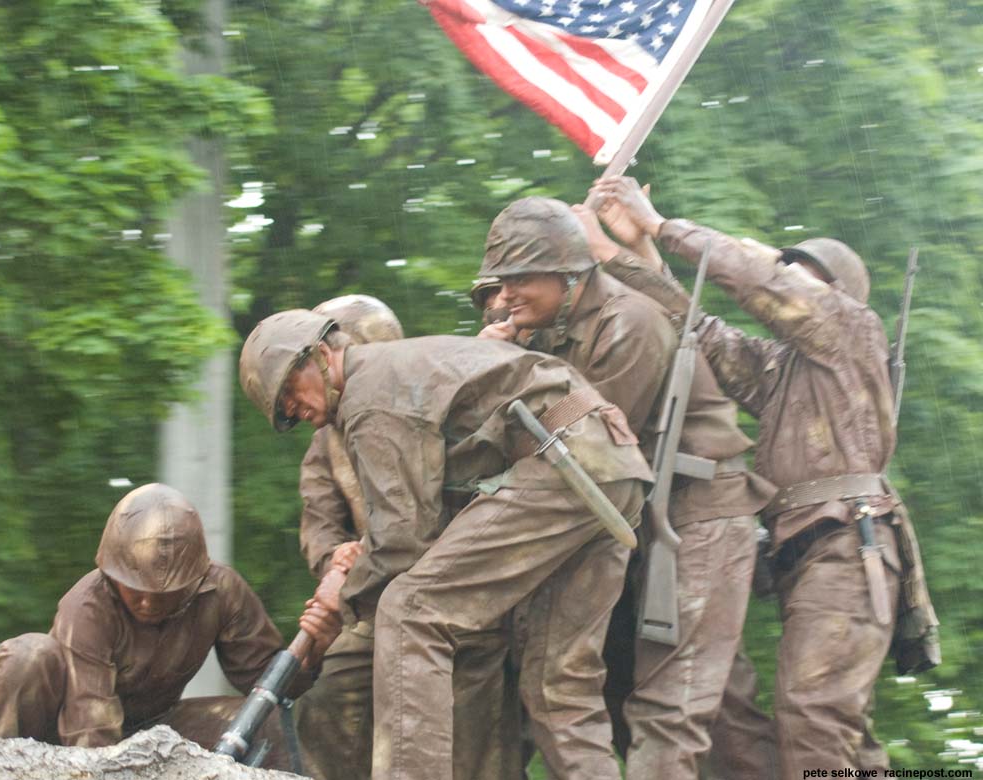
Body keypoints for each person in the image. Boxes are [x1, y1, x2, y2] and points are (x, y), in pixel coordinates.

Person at [588, 175, 939, 779]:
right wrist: (627, 256)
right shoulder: (784, 370)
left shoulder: (856, 331)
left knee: (813, 713)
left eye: (801, 271)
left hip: (849, 547)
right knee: (746, 718)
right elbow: (693, 327)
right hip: (799, 552)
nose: (785, 273)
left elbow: (764, 283)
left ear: (836, 296)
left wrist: (661, 225)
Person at [239, 310, 648, 780]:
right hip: (610, 463)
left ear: (322, 354)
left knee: (409, 612)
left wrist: (340, 600)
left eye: (290, 390)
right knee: (560, 688)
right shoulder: (401, 370)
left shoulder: (370, 397)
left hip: (561, 458)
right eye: (283, 410)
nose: (293, 408)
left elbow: (402, 544)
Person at [477, 196, 778, 780]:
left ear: (569, 274)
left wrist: (505, 375)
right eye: (500, 281)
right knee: (644, 702)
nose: (505, 295)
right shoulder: (552, 332)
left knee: (674, 708)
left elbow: (585, 442)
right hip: (639, 520)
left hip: (699, 518)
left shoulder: (627, 320)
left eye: (520, 280)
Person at [294, 294, 521, 780]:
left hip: (460, 590)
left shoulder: (434, 406)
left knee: (476, 732)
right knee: (330, 696)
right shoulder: (324, 439)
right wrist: (337, 557)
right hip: (373, 592)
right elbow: (318, 517)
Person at [0, 483, 338, 771]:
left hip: (153, 728)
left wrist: (315, 651)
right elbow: (92, 735)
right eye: (136, 588)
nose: (148, 602)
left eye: (165, 594)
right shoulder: (86, 607)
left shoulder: (221, 591)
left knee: (269, 723)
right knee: (27, 656)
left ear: (194, 582)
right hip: (67, 733)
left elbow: (271, 690)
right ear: (112, 573)